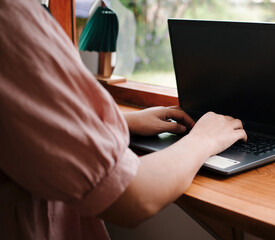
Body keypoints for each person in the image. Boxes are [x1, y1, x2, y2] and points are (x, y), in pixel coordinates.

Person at [0, 0, 247, 239]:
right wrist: (204, 139)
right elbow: (133, 197)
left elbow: (20, 123)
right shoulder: (10, 19)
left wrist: (121, 122)